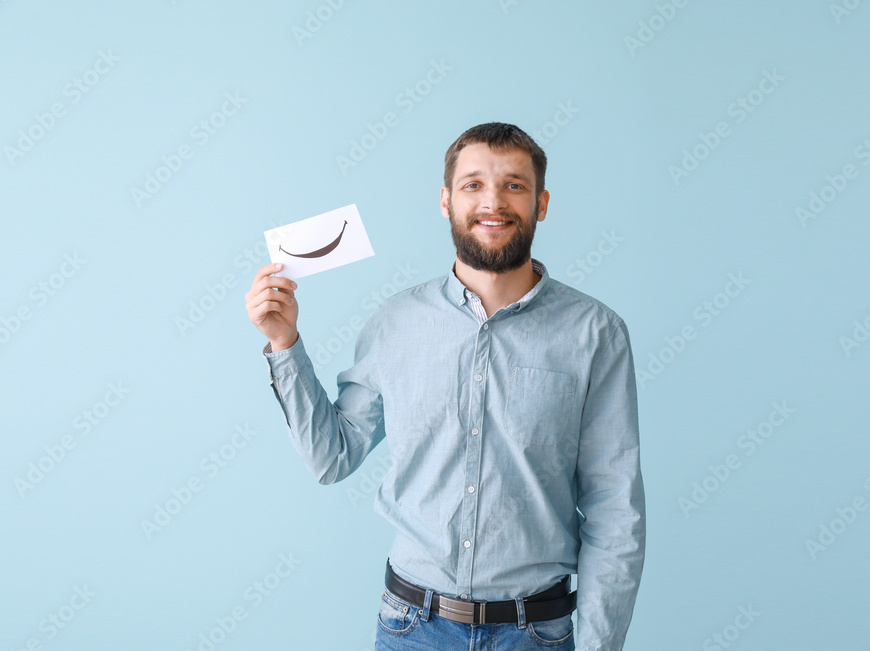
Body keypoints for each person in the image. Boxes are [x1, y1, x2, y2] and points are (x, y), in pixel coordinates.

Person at [245, 122, 645, 650]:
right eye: (473, 184)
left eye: (514, 185)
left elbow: (615, 506)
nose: (493, 202)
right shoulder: (395, 323)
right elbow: (331, 456)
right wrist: (284, 342)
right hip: (412, 629)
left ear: (541, 203)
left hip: (537, 634)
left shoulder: (596, 333)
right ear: (446, 201)